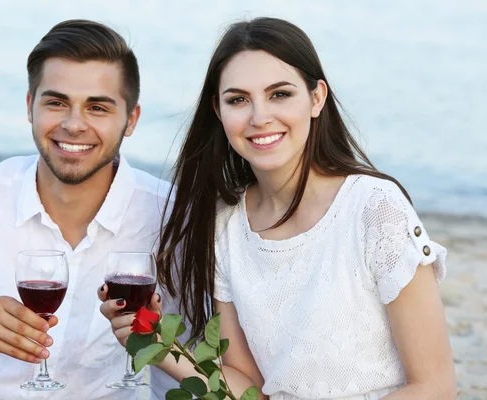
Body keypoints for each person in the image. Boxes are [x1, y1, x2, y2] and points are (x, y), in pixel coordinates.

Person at [100, 17, 457, 399]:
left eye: (280, 94)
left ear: (317, 98)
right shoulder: (226, 225)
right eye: (238, 100)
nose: (259, 117)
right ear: (219, 113)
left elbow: (434, 386)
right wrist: (157, 344)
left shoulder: (374, 208)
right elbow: (252, 389)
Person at [0, 19, 176, 400]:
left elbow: (214, 365)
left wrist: (156, 340)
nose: (74, 125)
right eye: (56, 102)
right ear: (30, 107)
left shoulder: (173, 217)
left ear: (131, 120)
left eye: (97, 107)